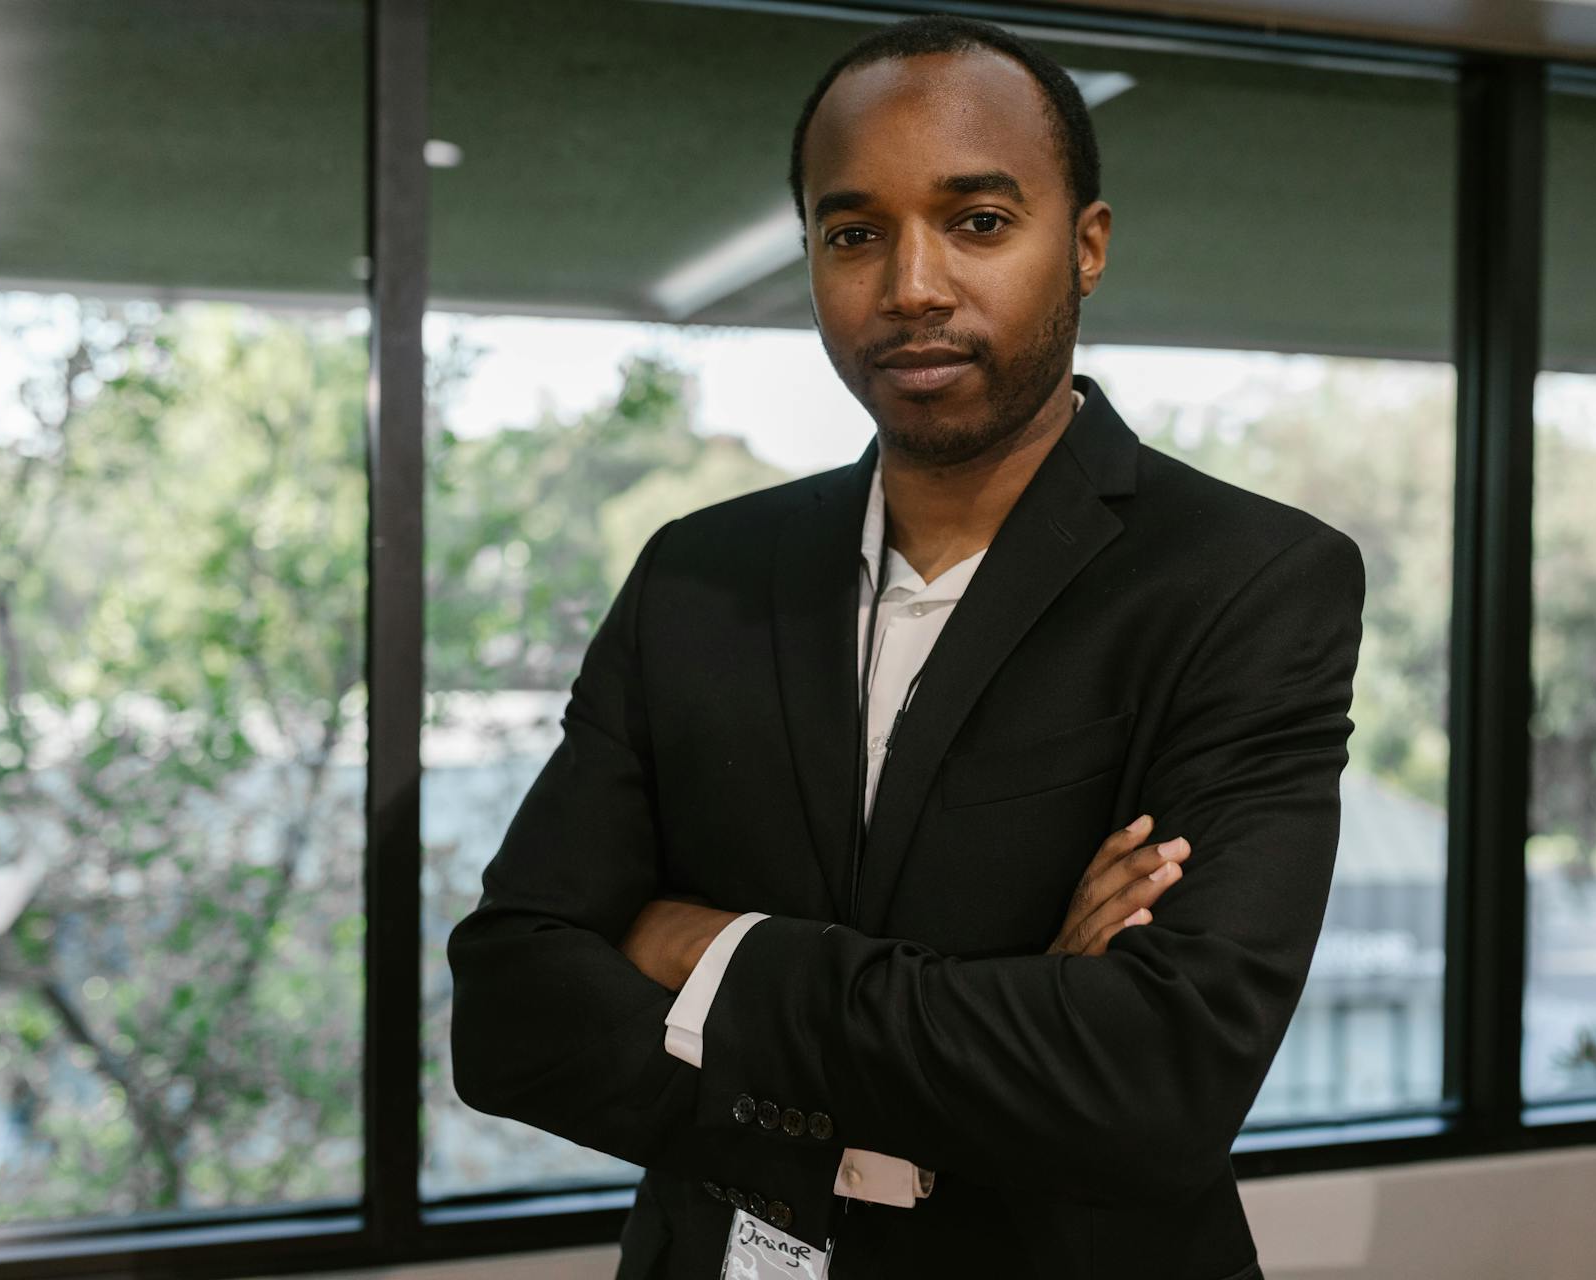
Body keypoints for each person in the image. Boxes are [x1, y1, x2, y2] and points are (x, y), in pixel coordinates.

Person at [448, 14, 1366, 1279]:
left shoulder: (1245, 580)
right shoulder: (700, 575)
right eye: (854, 233)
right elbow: (509, 1009)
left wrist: (704, 948)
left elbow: (1155, 1075)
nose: (912, 286)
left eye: (979, 222)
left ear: (1085, 246)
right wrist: (997, 1023)